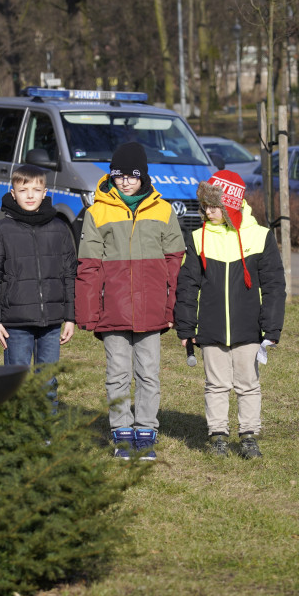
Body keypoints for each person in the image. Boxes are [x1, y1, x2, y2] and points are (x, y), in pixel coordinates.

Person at [76, 142, 185, 461]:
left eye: (132, 176)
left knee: (149, 373)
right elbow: (88, 265)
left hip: (152, 310)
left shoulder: (163, 211)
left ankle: (146, 433)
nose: (125, 181)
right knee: (118, 374)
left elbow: (175, 263)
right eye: (118, 175)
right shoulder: (97, 211)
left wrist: (173, 309)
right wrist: (87, 311)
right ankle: (121, 432)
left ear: (143, 177)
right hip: (114, 309)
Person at [174, 170, 285, 459]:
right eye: (205, 206)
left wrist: (271, 329)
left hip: (249, 328)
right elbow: (187, 285)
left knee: (248, 383)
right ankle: (217, 435)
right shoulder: (198, 238)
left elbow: (274, 286)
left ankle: (249, 435)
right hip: (210, 329)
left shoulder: (260, 237)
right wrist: (186, 328)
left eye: (214, 206)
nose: (208, 212)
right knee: (216, 384)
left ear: (230, 206)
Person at [0, 164, 77, 404]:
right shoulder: (0, 231)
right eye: (24, 190)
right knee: (16, 380)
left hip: (51, 322)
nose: (31, 195)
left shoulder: (60, 229)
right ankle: (19, 434)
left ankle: (45, 434)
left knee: (48, 381)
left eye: (36, 189)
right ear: (13, 193)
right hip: (15, 322)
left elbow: (69, 275)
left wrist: (71, 317)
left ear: (45, 192)